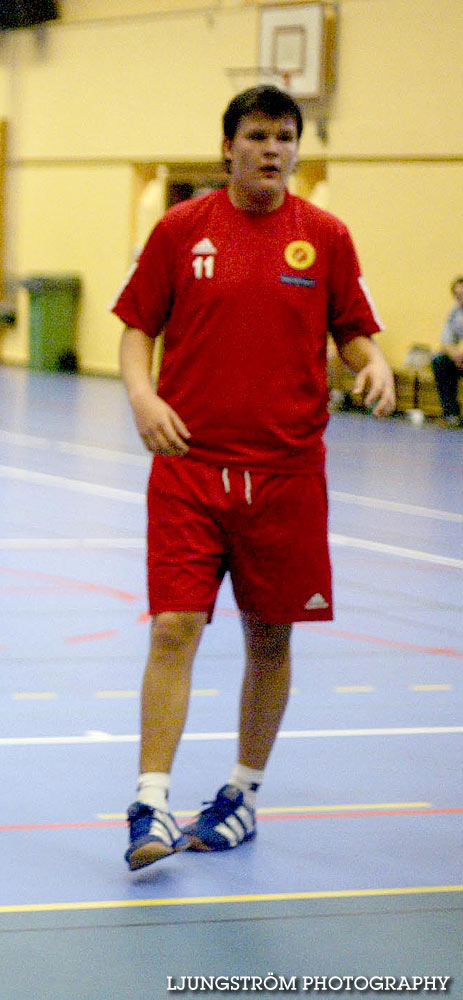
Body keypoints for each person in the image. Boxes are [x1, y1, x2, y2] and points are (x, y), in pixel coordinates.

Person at [111, 85, 395, 872]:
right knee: (174, 626)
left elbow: (356, 335)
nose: (272, 149)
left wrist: (374, 369)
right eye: (257, 135)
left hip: (286, 476)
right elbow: (137, 329)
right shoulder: (180, 231)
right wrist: (143, 396)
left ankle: (240, 794)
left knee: (268, 636)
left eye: (284, 137)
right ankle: (150, 800)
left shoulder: (326, 238)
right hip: (189, 467)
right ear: (227, 147)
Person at [429, 275, 463, 427]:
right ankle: (451, 414)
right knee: (440, 361)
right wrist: (455, 354)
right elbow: (446, 341)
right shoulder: (456, 313)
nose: (460, 299)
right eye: (458, 296)